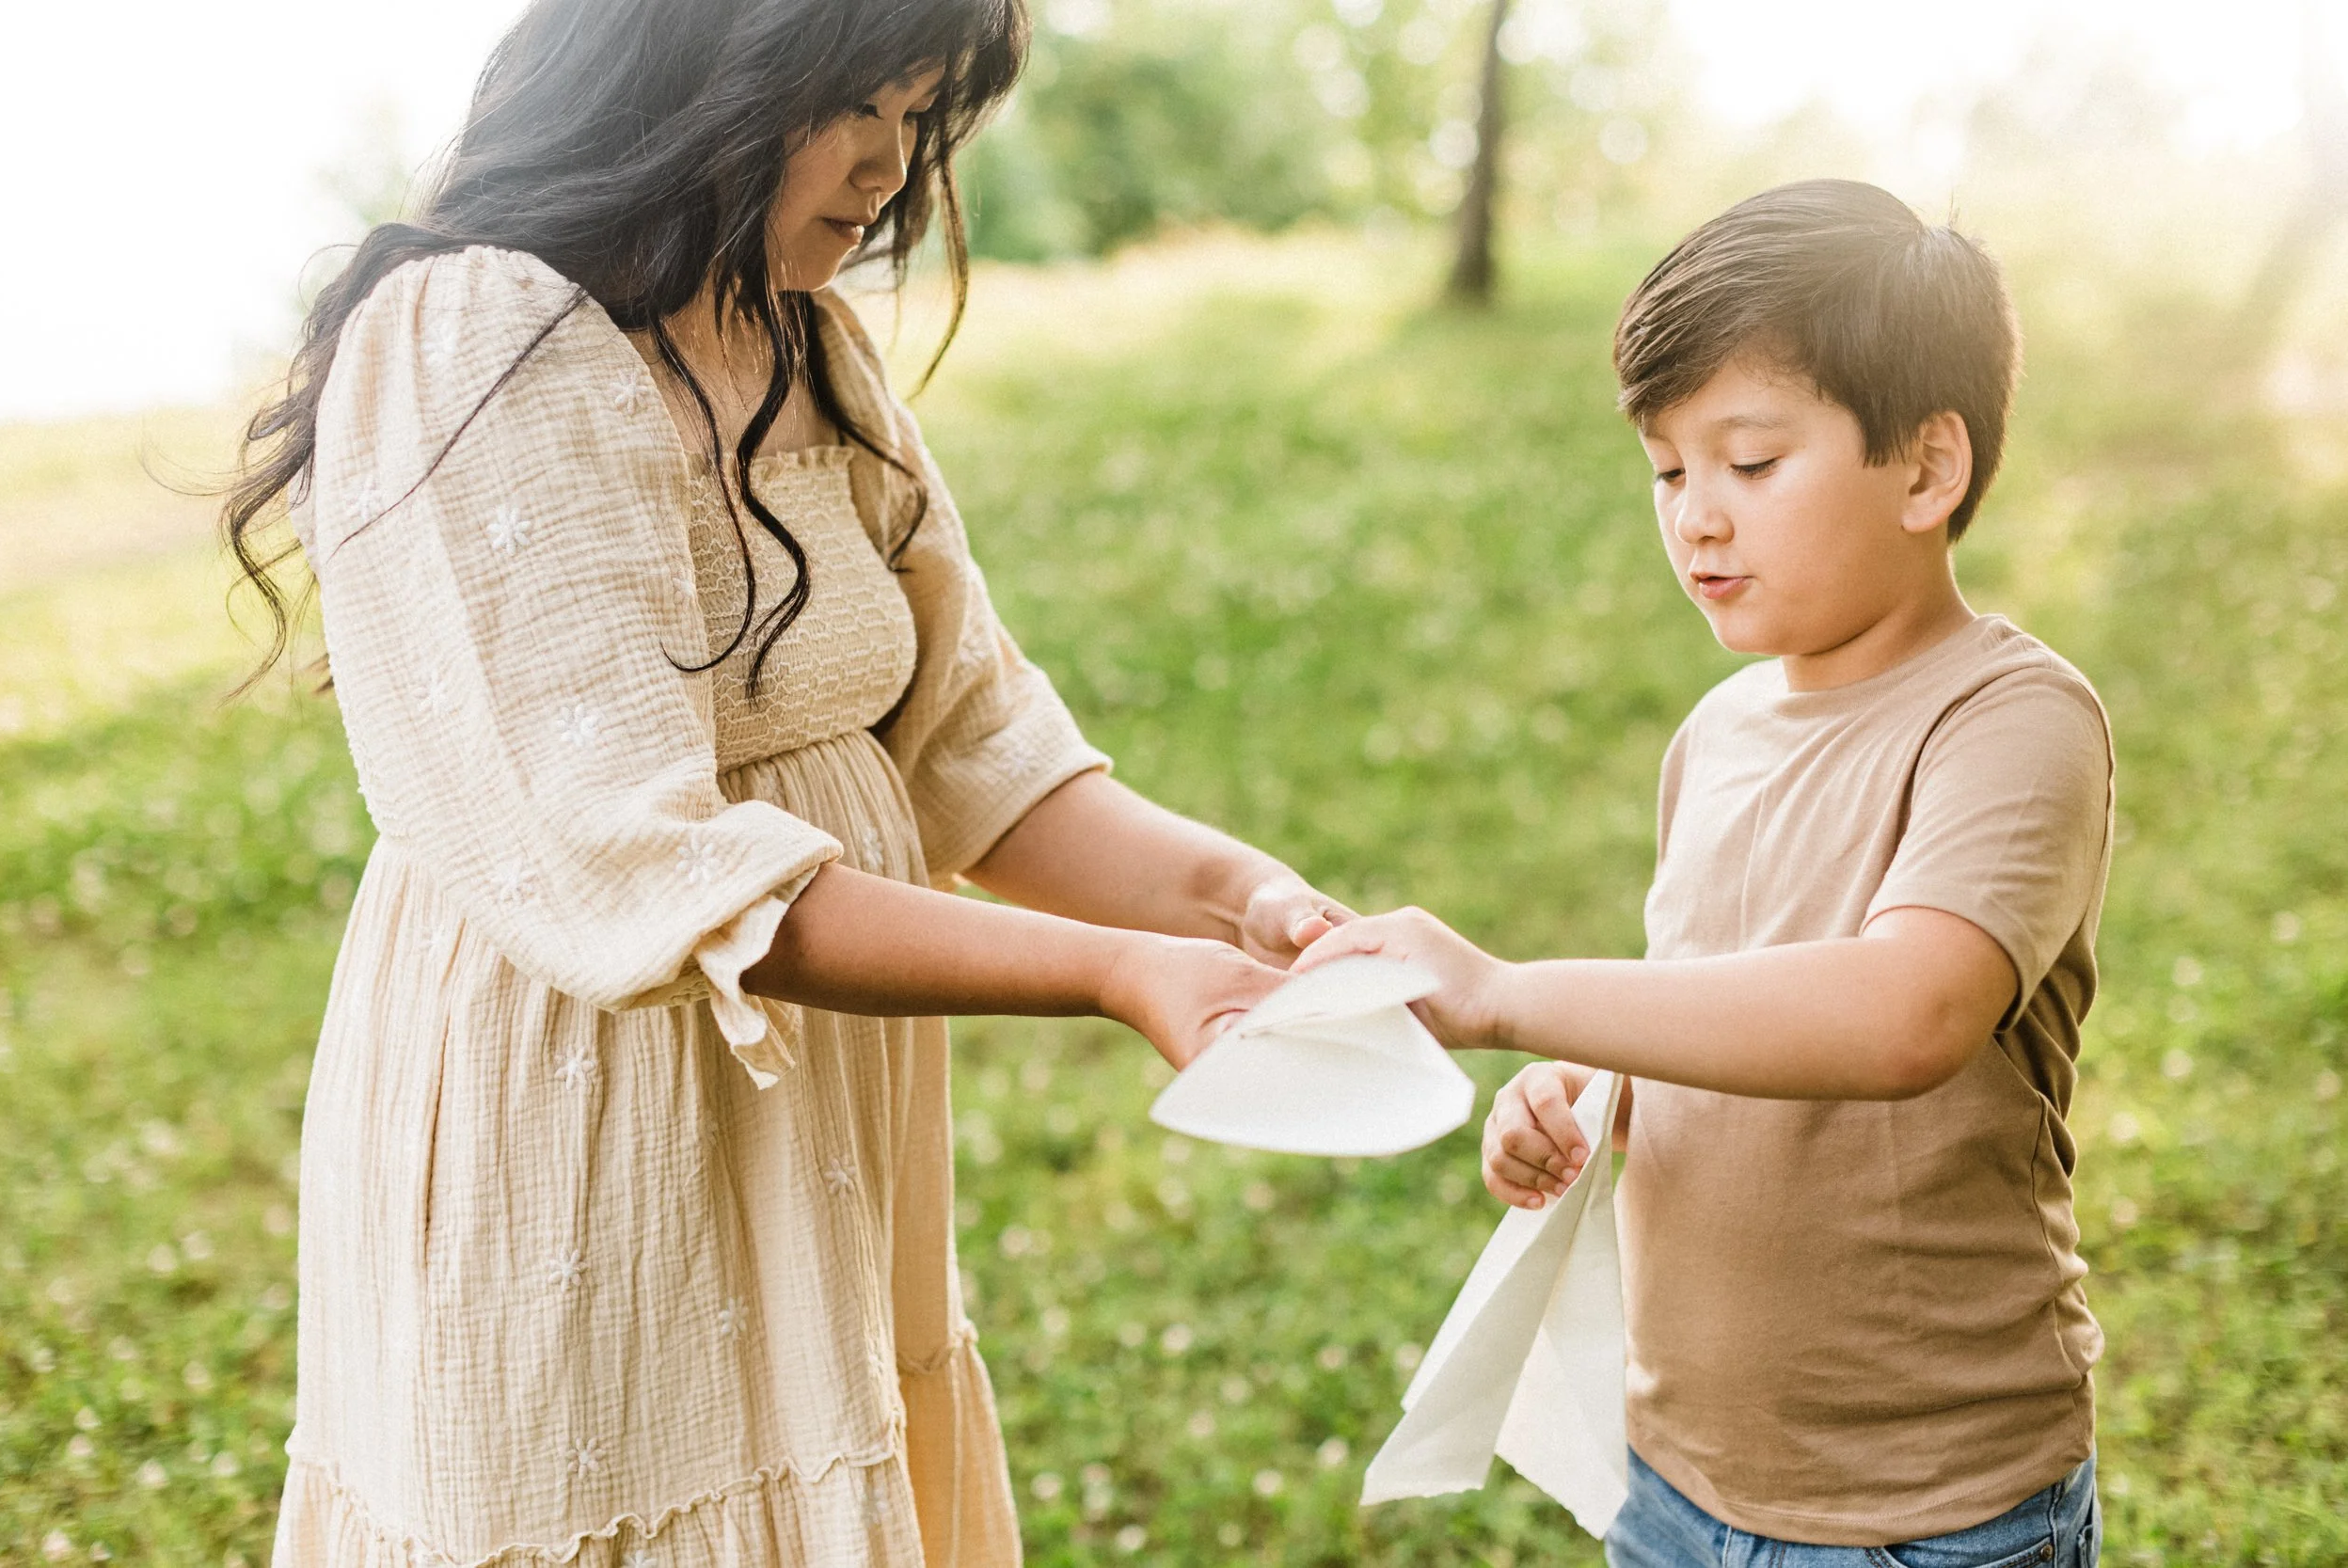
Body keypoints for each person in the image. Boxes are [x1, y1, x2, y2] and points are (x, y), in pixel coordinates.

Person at [221, 2, 1348, 1562]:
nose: (895, 161)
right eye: (860, 104)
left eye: (922, 113)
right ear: (701, 67)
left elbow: (977, 749)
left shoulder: (806, 343)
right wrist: (1118, 970)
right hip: (588, 1087)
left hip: (813, 1108)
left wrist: (1250, 902)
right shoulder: (474, 332)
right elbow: (648, 865)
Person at [1295, 181, 2111, 1565]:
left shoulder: (2011, 722)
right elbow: (1721, 1012)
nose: (1696, 519)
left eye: (1749, 462)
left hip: (1928, 1506)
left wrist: (1509, 994)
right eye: (1670, 472)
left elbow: (1900, 1014)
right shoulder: (1715, 735)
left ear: (1926, 469)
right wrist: (1583, 1093)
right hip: (1674, 1477)